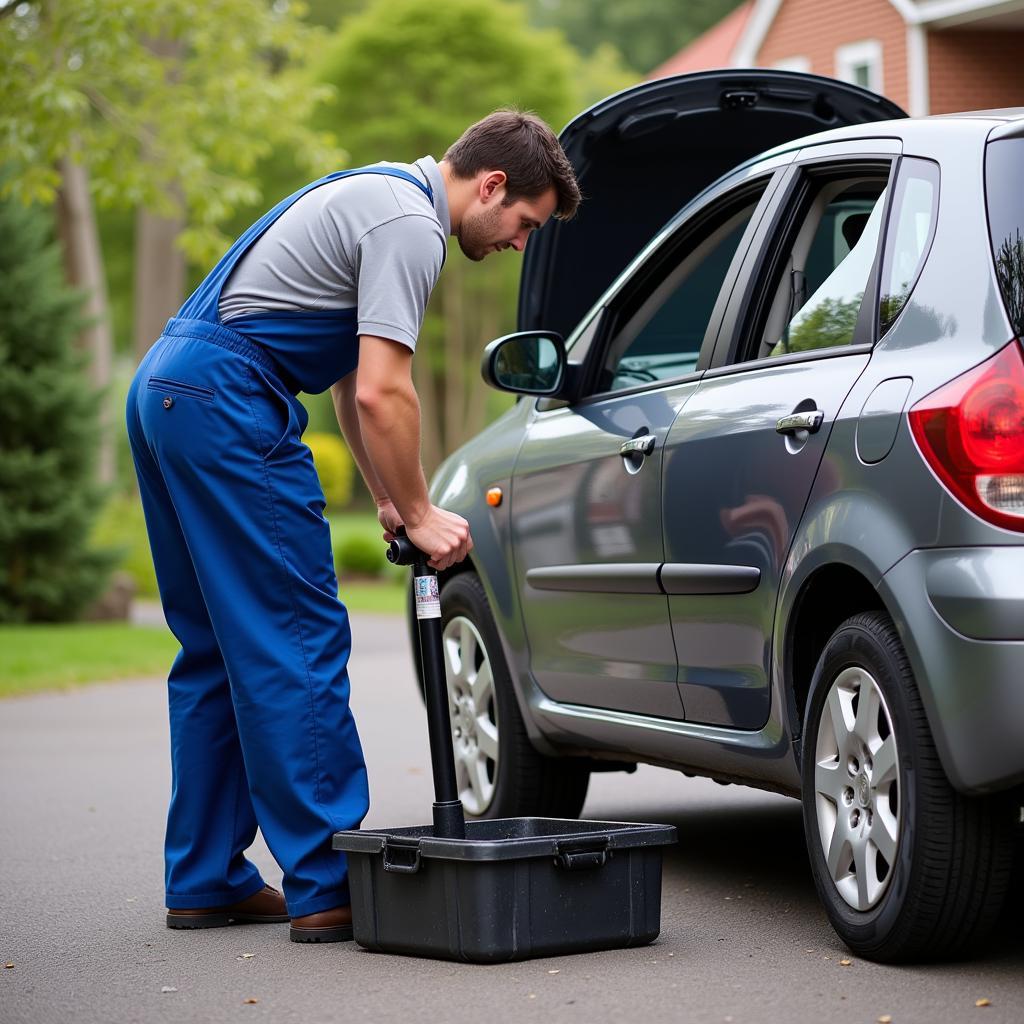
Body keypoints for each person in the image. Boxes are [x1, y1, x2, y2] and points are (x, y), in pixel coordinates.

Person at [125, 109, 582, 943]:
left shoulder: (373, 192)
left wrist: (381, 495)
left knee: (215, 652)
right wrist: (420, 512)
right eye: (523, 224)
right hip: (227, 399)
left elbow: (342, 384)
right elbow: (382, 391)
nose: (519, 244)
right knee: (295, 639)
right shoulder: (413, 228)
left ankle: (205, 876)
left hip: (167, 387)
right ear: (490, 186)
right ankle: (327, 881)